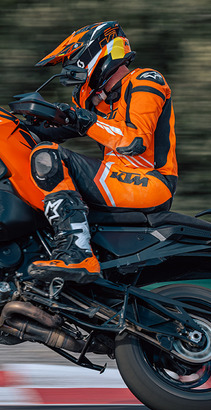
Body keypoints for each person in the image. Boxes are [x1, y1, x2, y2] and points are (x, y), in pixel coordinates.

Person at [26, 21, 178, 284]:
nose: (69, 69)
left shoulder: (145, 80)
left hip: (150, 182)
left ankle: (78, 252)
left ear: (96, 53)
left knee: (50, 157)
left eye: (73, 59)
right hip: (118, 180)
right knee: (34, 152)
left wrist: (81, 117)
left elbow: (134, 141)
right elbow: (54, 131)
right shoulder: (98, 99)